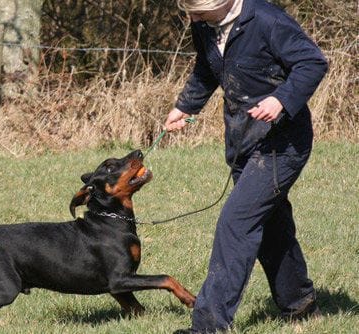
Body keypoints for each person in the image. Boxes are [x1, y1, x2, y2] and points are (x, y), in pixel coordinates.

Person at [164, 0, 328, 333]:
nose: (192, 17)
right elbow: (207, 69)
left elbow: (312, 62)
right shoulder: (205, 25)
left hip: (283, 145)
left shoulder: (268, 20)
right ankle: (301, 305)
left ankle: (209, 326)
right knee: (271, 226)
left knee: (235, 222)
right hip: (243, 139)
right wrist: (186, 106)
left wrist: (282, 98)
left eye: (198, 10)